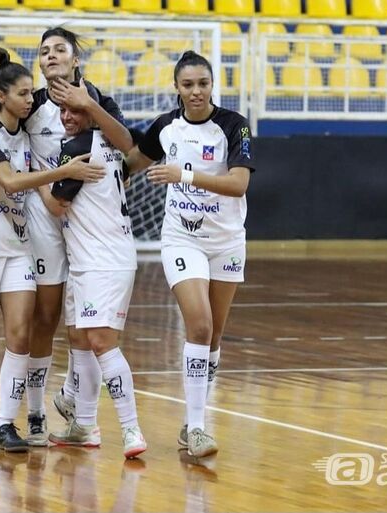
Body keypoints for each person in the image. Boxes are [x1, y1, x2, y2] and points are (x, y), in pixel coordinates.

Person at [0, 27, 132, 446]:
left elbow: (128, 145)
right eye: (44, 51)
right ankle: (34, 414)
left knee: (85, 318)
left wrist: (89, 104)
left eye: (60, 49)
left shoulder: (95, 100)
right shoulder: (29, 101)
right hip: (39, 217)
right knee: (45, 317)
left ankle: (77, 403)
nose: (51, 55)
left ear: (75, 59)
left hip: (87, 220)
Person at [126, 51, 256, 458]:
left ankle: (192, 423)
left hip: (227, 242)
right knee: (198, 326)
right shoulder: (166, 127)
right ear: (176, 87)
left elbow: (238, 185)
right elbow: (131, 164)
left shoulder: (235, 126)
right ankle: (198, 427)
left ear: (212, 84)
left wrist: (182, 174)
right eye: (188, 85)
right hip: (182, 239)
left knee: (213, 336)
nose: (196, 91)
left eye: (202, 83)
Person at [40, 94, 147, 459]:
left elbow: (56, 204)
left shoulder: (80, 146)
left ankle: (131, 429)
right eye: (63, 111)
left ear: (92, 113)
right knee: (80, 339)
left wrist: (35, 177)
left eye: (76, 110)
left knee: (101, 342)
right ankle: (83, 423)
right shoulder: (111, 141)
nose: (67, 117)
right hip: (88, 257)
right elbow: (135, 151)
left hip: (103, 259)